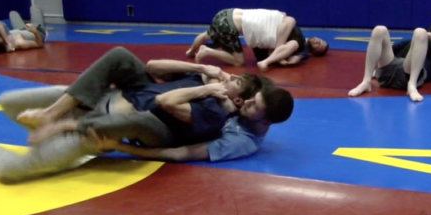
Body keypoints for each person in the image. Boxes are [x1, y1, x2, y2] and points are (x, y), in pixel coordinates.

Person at [0, 47, 265, 182]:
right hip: (104, 97)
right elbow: (153, 67)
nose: (227, 77)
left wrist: (206, 90)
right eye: (230, 75)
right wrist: (199, 68)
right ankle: (53, 114)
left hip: (100, 131)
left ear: (238, 101)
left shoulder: (213, 114)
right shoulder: (201, 78)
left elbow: (167, 103)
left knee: (10, 172)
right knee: (7, 101)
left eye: (234, 81)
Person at [84, 81, 295, 163]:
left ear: (266, 122)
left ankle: (71, 129)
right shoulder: (247, 110)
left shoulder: (241, 142)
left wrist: (118, 148)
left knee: (140, 120)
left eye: (254, 106)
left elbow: (180, 153)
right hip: (176, 116)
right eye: (253, 98)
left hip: (168, 136)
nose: (248, 103)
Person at [185, 8, 328, 70]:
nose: (318, 42)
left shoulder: (300, 47)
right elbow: (289, 22)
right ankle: (204, 51)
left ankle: (191, 51)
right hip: (229, 23)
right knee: (238, 62)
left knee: (207, 35)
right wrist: (277, 51)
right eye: (320, 40)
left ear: (314, 52)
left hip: (225, 14)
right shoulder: (290, 24)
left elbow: (295, 58)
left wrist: (281, 56)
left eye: (319, 46)